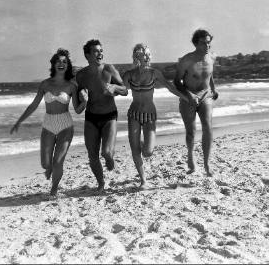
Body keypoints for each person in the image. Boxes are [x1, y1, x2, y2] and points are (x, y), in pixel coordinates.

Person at [10, 48, 87, 198]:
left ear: (68, 65)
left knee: (58, 161)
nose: (61, 64)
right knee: (46, 164)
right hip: (48, 125)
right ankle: (49, 168)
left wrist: (85, 102)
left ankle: (54, 189)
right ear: (53, 64)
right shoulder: (45, 84)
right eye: (58, 61)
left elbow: (77, 110)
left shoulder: (72, 86)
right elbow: (33, 105)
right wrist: (19, 121)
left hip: (65, 124)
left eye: (64, 62)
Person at [122, 44, 188, 190]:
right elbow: (121, 90)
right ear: (136, 57)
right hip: (134, 114)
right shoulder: (129, 74)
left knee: (147, 152)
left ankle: (140, 143)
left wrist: (187, 98)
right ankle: (143, 180)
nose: (145, 57)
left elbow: (170, 87)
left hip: (149, 114)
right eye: (141, 55)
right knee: (134, 149)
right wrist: (107, 88)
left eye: (146, 55)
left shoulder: (154, 73)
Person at [75, 39, 128, 192]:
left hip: (109, 116)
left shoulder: (109, 69)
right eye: (96, 51)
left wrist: (114, 87)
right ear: (87, 55)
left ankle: (110, 158)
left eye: (101, 50)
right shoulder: (81, 76)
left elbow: (125, 90)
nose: (100, 53)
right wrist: (82, 94)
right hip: (91, 117)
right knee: (92, 155)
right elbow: (79, 96)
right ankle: (101, 183)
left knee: (106, 152)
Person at [174, 29, 219, 177]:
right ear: (195, 43)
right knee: (191, 132)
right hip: (188, 98)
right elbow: (176, 82)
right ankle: (191, 157)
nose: (207, 46)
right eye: (203, 43)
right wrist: (189, 95)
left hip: (205, 95)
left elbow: (209, 74)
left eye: (208, 42)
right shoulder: (186, 60)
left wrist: (214, 88)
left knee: (207, 126)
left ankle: (206, 164)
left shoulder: (212, 57)